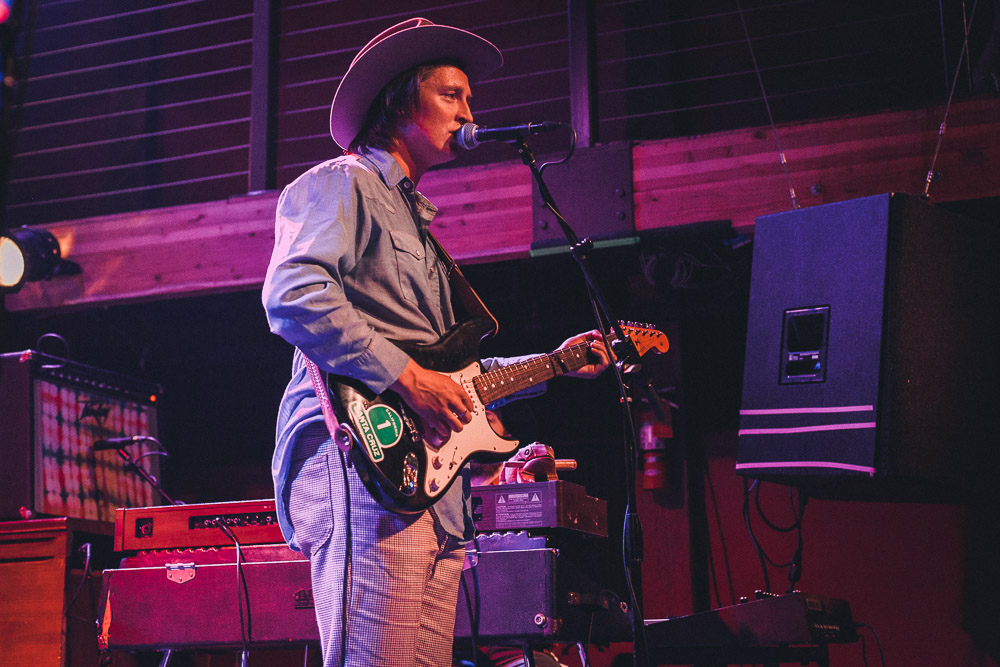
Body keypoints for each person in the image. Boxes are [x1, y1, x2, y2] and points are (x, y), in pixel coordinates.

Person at [262, 18, 611, 667]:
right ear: (400, 100)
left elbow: (453, 372)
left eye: (469, 99)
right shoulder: (343, 183)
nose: (469, 113)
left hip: (431, 492)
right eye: (452, 94)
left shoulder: (417, 227)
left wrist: (559, 362)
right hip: (364, 470)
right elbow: (291, 295)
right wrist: (408, 378)